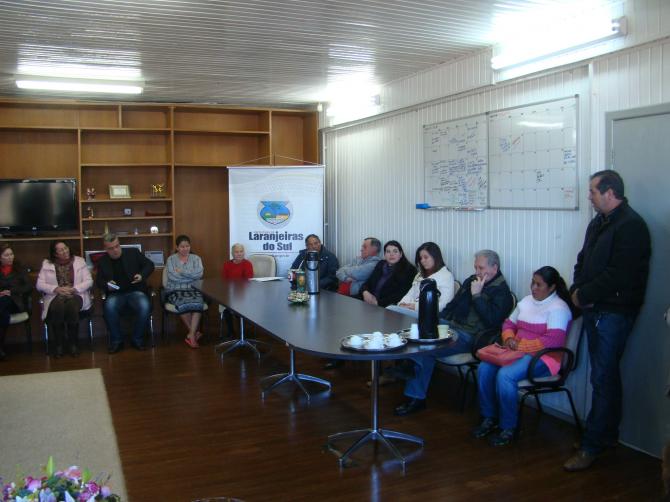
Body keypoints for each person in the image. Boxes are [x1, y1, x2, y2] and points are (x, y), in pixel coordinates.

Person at [564, 170, 651, 472]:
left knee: (603, 378)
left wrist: (584, 294)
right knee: (602, 377)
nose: (589, 196)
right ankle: (604, 436)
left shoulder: (632, 226)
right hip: (593, 308)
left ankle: (592, 445)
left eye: (592, 191)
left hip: (613, 312)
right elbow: (583, 261)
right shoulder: (598, 222)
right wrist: (576, 291)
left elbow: (619, 274)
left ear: (610, 192)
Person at [394, 249, 513, 416]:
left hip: (472, 336)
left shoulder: (502, 292)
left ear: (494, 268)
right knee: (420, 328)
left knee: (427, 348)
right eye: (475, 267)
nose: (477, 272)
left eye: (481, 268)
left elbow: (492, 321)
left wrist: (477, 296)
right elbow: (453, 305)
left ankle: (415, 397)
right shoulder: (471, 280)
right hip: (452, 325)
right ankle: (407, 366)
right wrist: (436, 320)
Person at [472, 266, 574, 446]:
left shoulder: (559, 308)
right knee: (485, 368)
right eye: (532, 283)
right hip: (516, 352)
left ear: (552, 287)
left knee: (506, 375)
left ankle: (508, 427)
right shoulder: (526, 302)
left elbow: (553, 341)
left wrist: (520, 345)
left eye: (539, 285)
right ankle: (489, 417)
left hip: (544, 358)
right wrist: (509, 338)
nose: (533, 287)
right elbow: (508, 324)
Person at [96, 233, 155, 354]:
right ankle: (117, 341)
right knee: (109, 307)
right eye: (111, 248)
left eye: (117, 246)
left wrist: (141, 275)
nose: (115, 250)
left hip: (135, 291)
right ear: (105, 249)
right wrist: (107, 285)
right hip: (116, 294)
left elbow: (150, 265)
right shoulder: (103, 261)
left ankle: (137, 339)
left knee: (145, 305)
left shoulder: (133, 252)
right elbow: (99, 281)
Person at [36, 240, 93, 357]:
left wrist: (74, 289)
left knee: (71, 304)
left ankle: (73, 344)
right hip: (55, 296)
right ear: (55, 254)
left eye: (66, 248)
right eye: (61, 250)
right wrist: (56, 289)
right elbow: (39, 285)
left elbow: (89, 281)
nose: (65, 251)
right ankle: (59, 345)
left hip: (76, 294)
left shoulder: (79, 261)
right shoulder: (47, 264)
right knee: (58, 306)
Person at [387, 241, 455, 318]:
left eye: (426, 257)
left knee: (390, 309)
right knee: (391, 310)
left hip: (428, 314)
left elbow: (443, 305)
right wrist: (402, 303)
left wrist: (414, 307)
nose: (422, 261)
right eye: (420, 258)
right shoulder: (421, 275)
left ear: (435, 257)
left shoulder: (446, 276)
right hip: (411, 310)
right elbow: (410, 294)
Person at [165, 235, 205, 349]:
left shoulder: (196, 258)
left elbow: (199, 274)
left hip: (194, 289)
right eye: (182, 246)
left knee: (198, 304)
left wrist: (181, 272)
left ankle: (191, 334)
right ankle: (193, 334)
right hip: (175, 289)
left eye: (187, 246)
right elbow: (172, 277)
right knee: (183, 304)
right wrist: (190, 276)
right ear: (177, 247)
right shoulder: (171, 259)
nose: (185, 248)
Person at [359, 240, 416, 307]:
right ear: (385, 255)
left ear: (401, 254)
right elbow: (368, 282)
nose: (391, 254)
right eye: (388, 251)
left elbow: (401, 295)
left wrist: (377, 303)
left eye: (395, 251)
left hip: (387, 307)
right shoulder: (381, 264)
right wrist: (365, 292)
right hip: (368, 302)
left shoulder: (409, 270)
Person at [0, 243, 32, 361]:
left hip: (16, 302)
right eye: (6, 255)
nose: (10, 257)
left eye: (11, 254)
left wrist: (11, 291)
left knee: (4, 302)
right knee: (2, 311)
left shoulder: (20, 268)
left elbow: (28, 287)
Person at [220, 243, 254, 339]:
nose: (239, 254)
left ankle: (244, 333)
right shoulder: (227, 264)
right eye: (236, 252)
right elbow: (224, 281)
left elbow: (248, 280)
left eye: (241, 251)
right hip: (230, 294)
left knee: (241, 309)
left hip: (244, 294)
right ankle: (231, 332)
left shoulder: (247, 264)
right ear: (232, 253)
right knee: (227, 310)